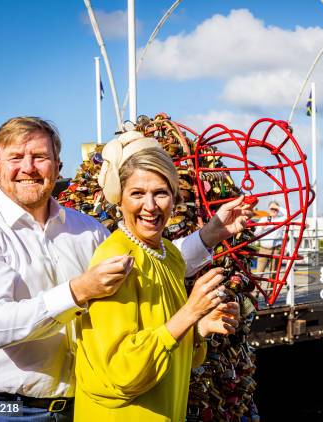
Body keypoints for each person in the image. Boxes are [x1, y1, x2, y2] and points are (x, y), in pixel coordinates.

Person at [0, 117, 252, 421]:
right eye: (16, 157)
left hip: (75, 407)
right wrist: (78, 291)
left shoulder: (86, 229)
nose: (28, 167)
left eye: (40, 157)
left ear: (57, 166)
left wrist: (210, 234)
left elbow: (145, 262)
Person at [74, 137, 241, 421]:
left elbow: (169, 342)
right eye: (137, 193)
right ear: (119, 197)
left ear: (175, 198)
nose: (150, 206)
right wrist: (190, 312)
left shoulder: (167, 255)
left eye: (161, 193)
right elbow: (122, 370)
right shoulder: (115, 259)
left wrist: (200, 327)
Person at [255, 201, 286, 278]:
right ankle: (257, 290)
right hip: (263, 249)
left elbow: (290, 215)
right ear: (268, 209)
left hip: (276, 249)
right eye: (272, 208)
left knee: (273, 274)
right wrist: (262, 227)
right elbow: (255, 233)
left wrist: (277, 207)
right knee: (259, 273)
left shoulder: (281, 219)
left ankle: (271, 290)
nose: (273, 210)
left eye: (275, 209)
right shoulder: (263, 219)